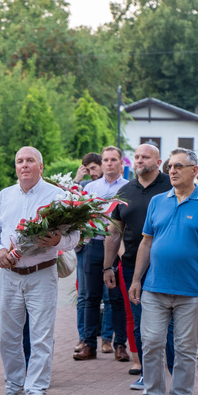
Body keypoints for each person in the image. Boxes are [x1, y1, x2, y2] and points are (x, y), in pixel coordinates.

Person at [0, 146, 81, 395]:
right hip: (9, 275)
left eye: (30, 161)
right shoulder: (5, 196)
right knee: (9, 337)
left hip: (42, 273)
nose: (24, 165)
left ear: (41, 166)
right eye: (19, 161)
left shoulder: (57, 196)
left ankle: (36, 392)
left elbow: (76, 236)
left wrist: (60, 240)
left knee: (41, 336)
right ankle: (14, 389)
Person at [128, 148, 198, 395]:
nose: (172, 170)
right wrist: (137, 280)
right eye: (170, 166)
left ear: (195, 171)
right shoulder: (158, 202)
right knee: (152, 343)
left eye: (179, 166)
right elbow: (146, 243)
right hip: (155, 288)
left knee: (184, 349)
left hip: (192, 291)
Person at [103, 144, 175, 387]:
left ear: (158, 160)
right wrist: (108, 266)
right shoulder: (124, 191)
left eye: (146, 157)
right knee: (140, 320)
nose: (140, 160)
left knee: (170, 323)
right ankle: (148, 373)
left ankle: (175, 374)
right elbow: (114, 232)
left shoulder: (171, 187)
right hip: (133, 267)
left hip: (167, 265)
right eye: (136, 157)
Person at [74, 146, 129, 362]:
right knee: (90, 297)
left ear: (121, 163)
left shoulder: (128, 188)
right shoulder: (91, 187)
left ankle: (120, 344)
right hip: (93, 244)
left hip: (118, 247)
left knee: (116, 298)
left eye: (113, 159)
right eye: (105, 159)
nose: (108, 163)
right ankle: (88, 343)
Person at [73, 152, 102, 354]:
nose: (91, 172)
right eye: (87, 169)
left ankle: (107, 338)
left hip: (105, 243)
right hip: (84, 246)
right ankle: (84, 338)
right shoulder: (82, 188)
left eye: (93, 168)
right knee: (84, 295)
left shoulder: (107, 188)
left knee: (109, 297)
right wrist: (77, 179)